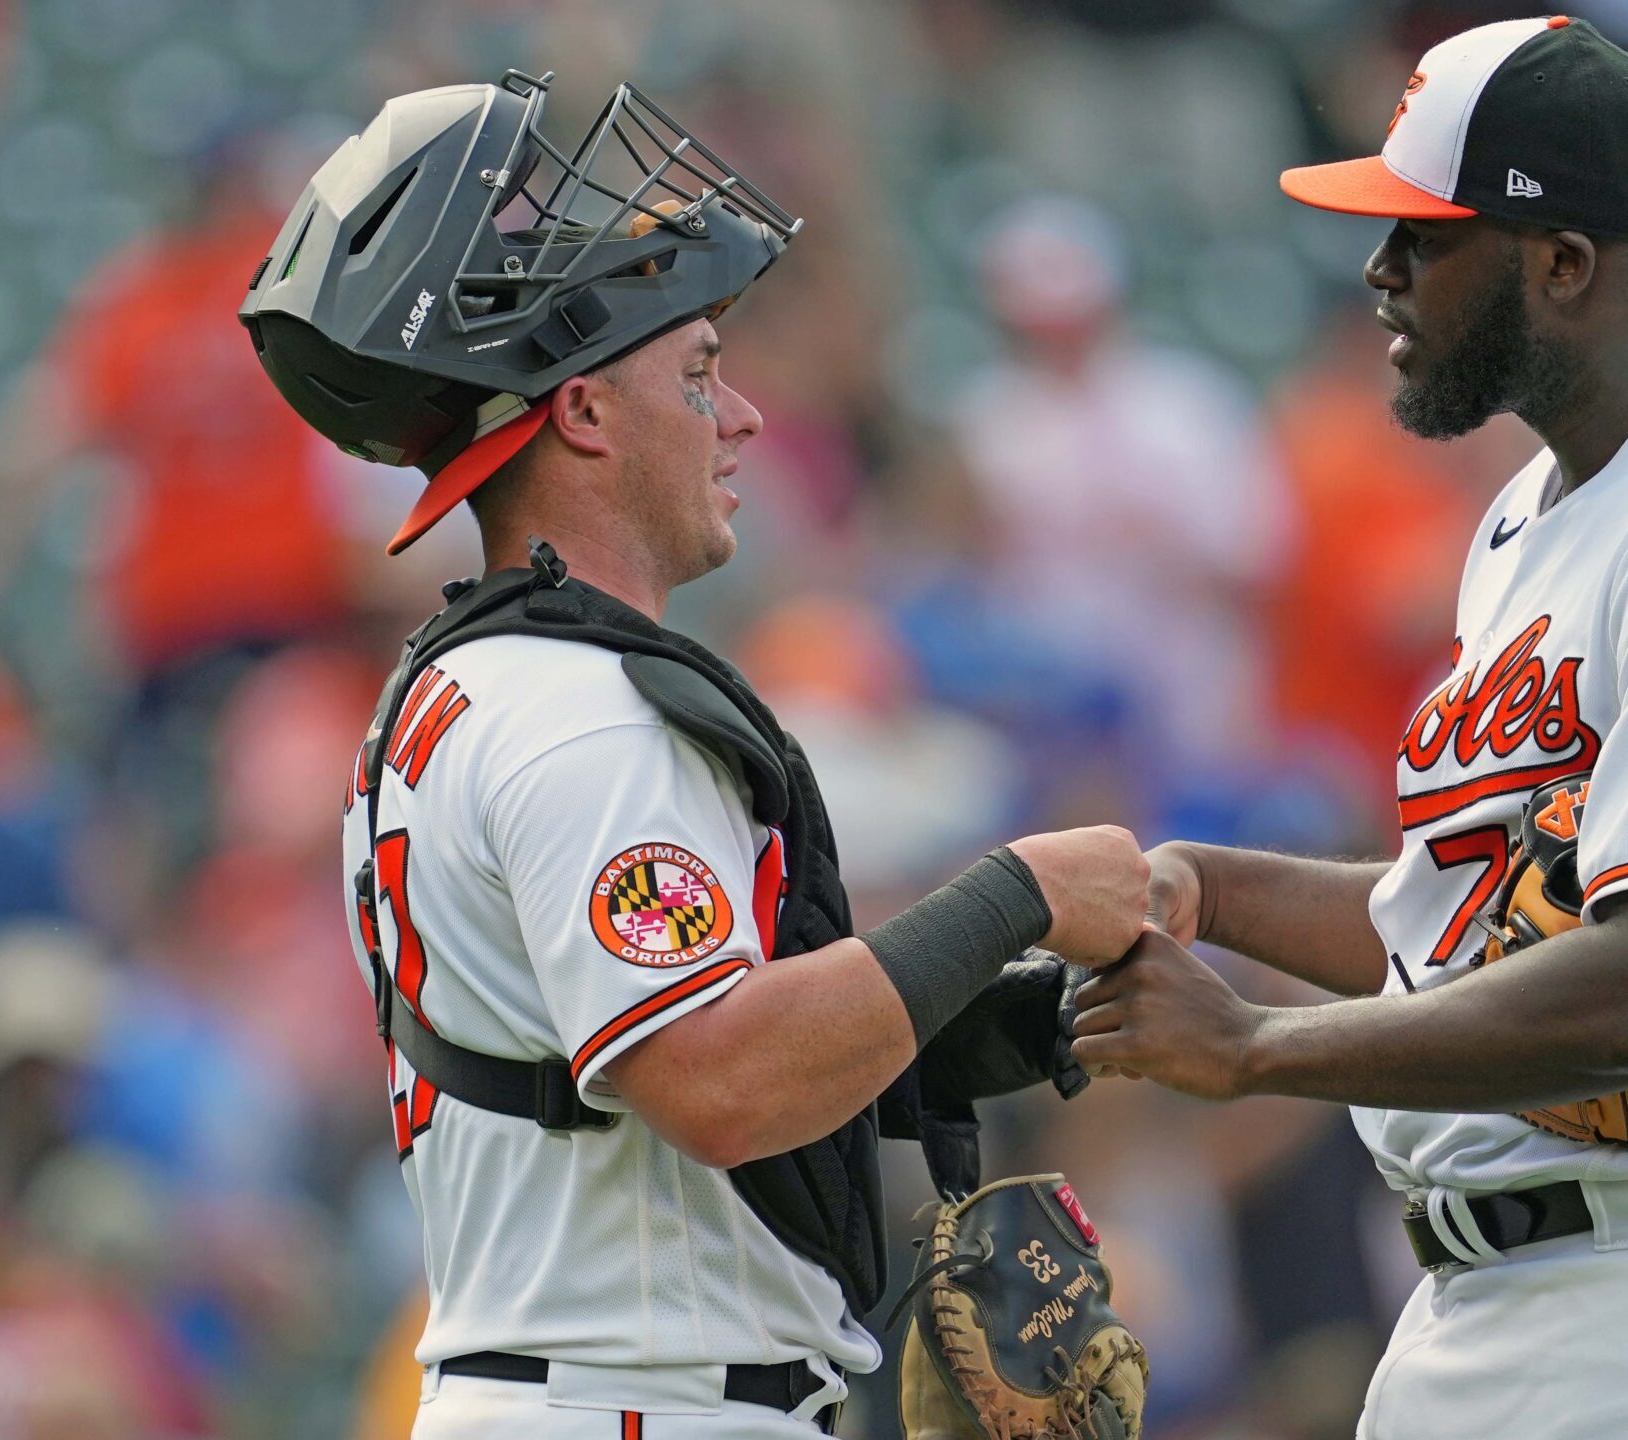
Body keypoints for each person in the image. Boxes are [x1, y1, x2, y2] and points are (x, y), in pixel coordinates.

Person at [240, 73, 1150, 1438]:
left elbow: (599, 1074)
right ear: (588, 417)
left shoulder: (475, 681)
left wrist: (954, 1034)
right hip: (637, 1401)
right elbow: (715, 1079)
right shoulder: (581, 712)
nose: (746, 421)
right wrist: (1014, 889)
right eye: (700, 373)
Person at [1070, 17, 1628, 1439]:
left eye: (1425, 238)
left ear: (1564, 265)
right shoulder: (1538, 513)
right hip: (1530, 1295)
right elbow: (1470, 933)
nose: (1380, 273)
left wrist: (1260, 1049)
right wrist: (1208, 891)